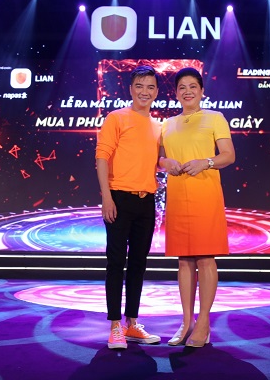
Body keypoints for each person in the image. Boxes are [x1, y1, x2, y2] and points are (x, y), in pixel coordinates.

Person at [158, 67, 235, 348]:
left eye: (193, 86)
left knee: (205, 258)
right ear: (176, 93)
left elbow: (228, 155)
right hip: (178, 195)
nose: (187, 91)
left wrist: (206, 162)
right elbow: (160, 159)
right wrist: (166, 163)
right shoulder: (167, 124)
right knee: (184, 260)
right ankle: (186, 321)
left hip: (205, 193)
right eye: (182, 87)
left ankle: (203, 323)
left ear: (202, 91)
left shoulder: (215, 117)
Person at [96, 65, 162, 349]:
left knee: (138, 263)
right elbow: (102, 157)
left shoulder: (159, 126)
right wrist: (106, 197)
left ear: (156, 92)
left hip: (146, 201)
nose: (145, 92)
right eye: (139, 86)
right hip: (119, 198)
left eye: (150, 87)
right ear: (131, 89)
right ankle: (114, 326)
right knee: (116, 262)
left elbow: (157, 161)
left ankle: (131, 323)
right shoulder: (116, 117)